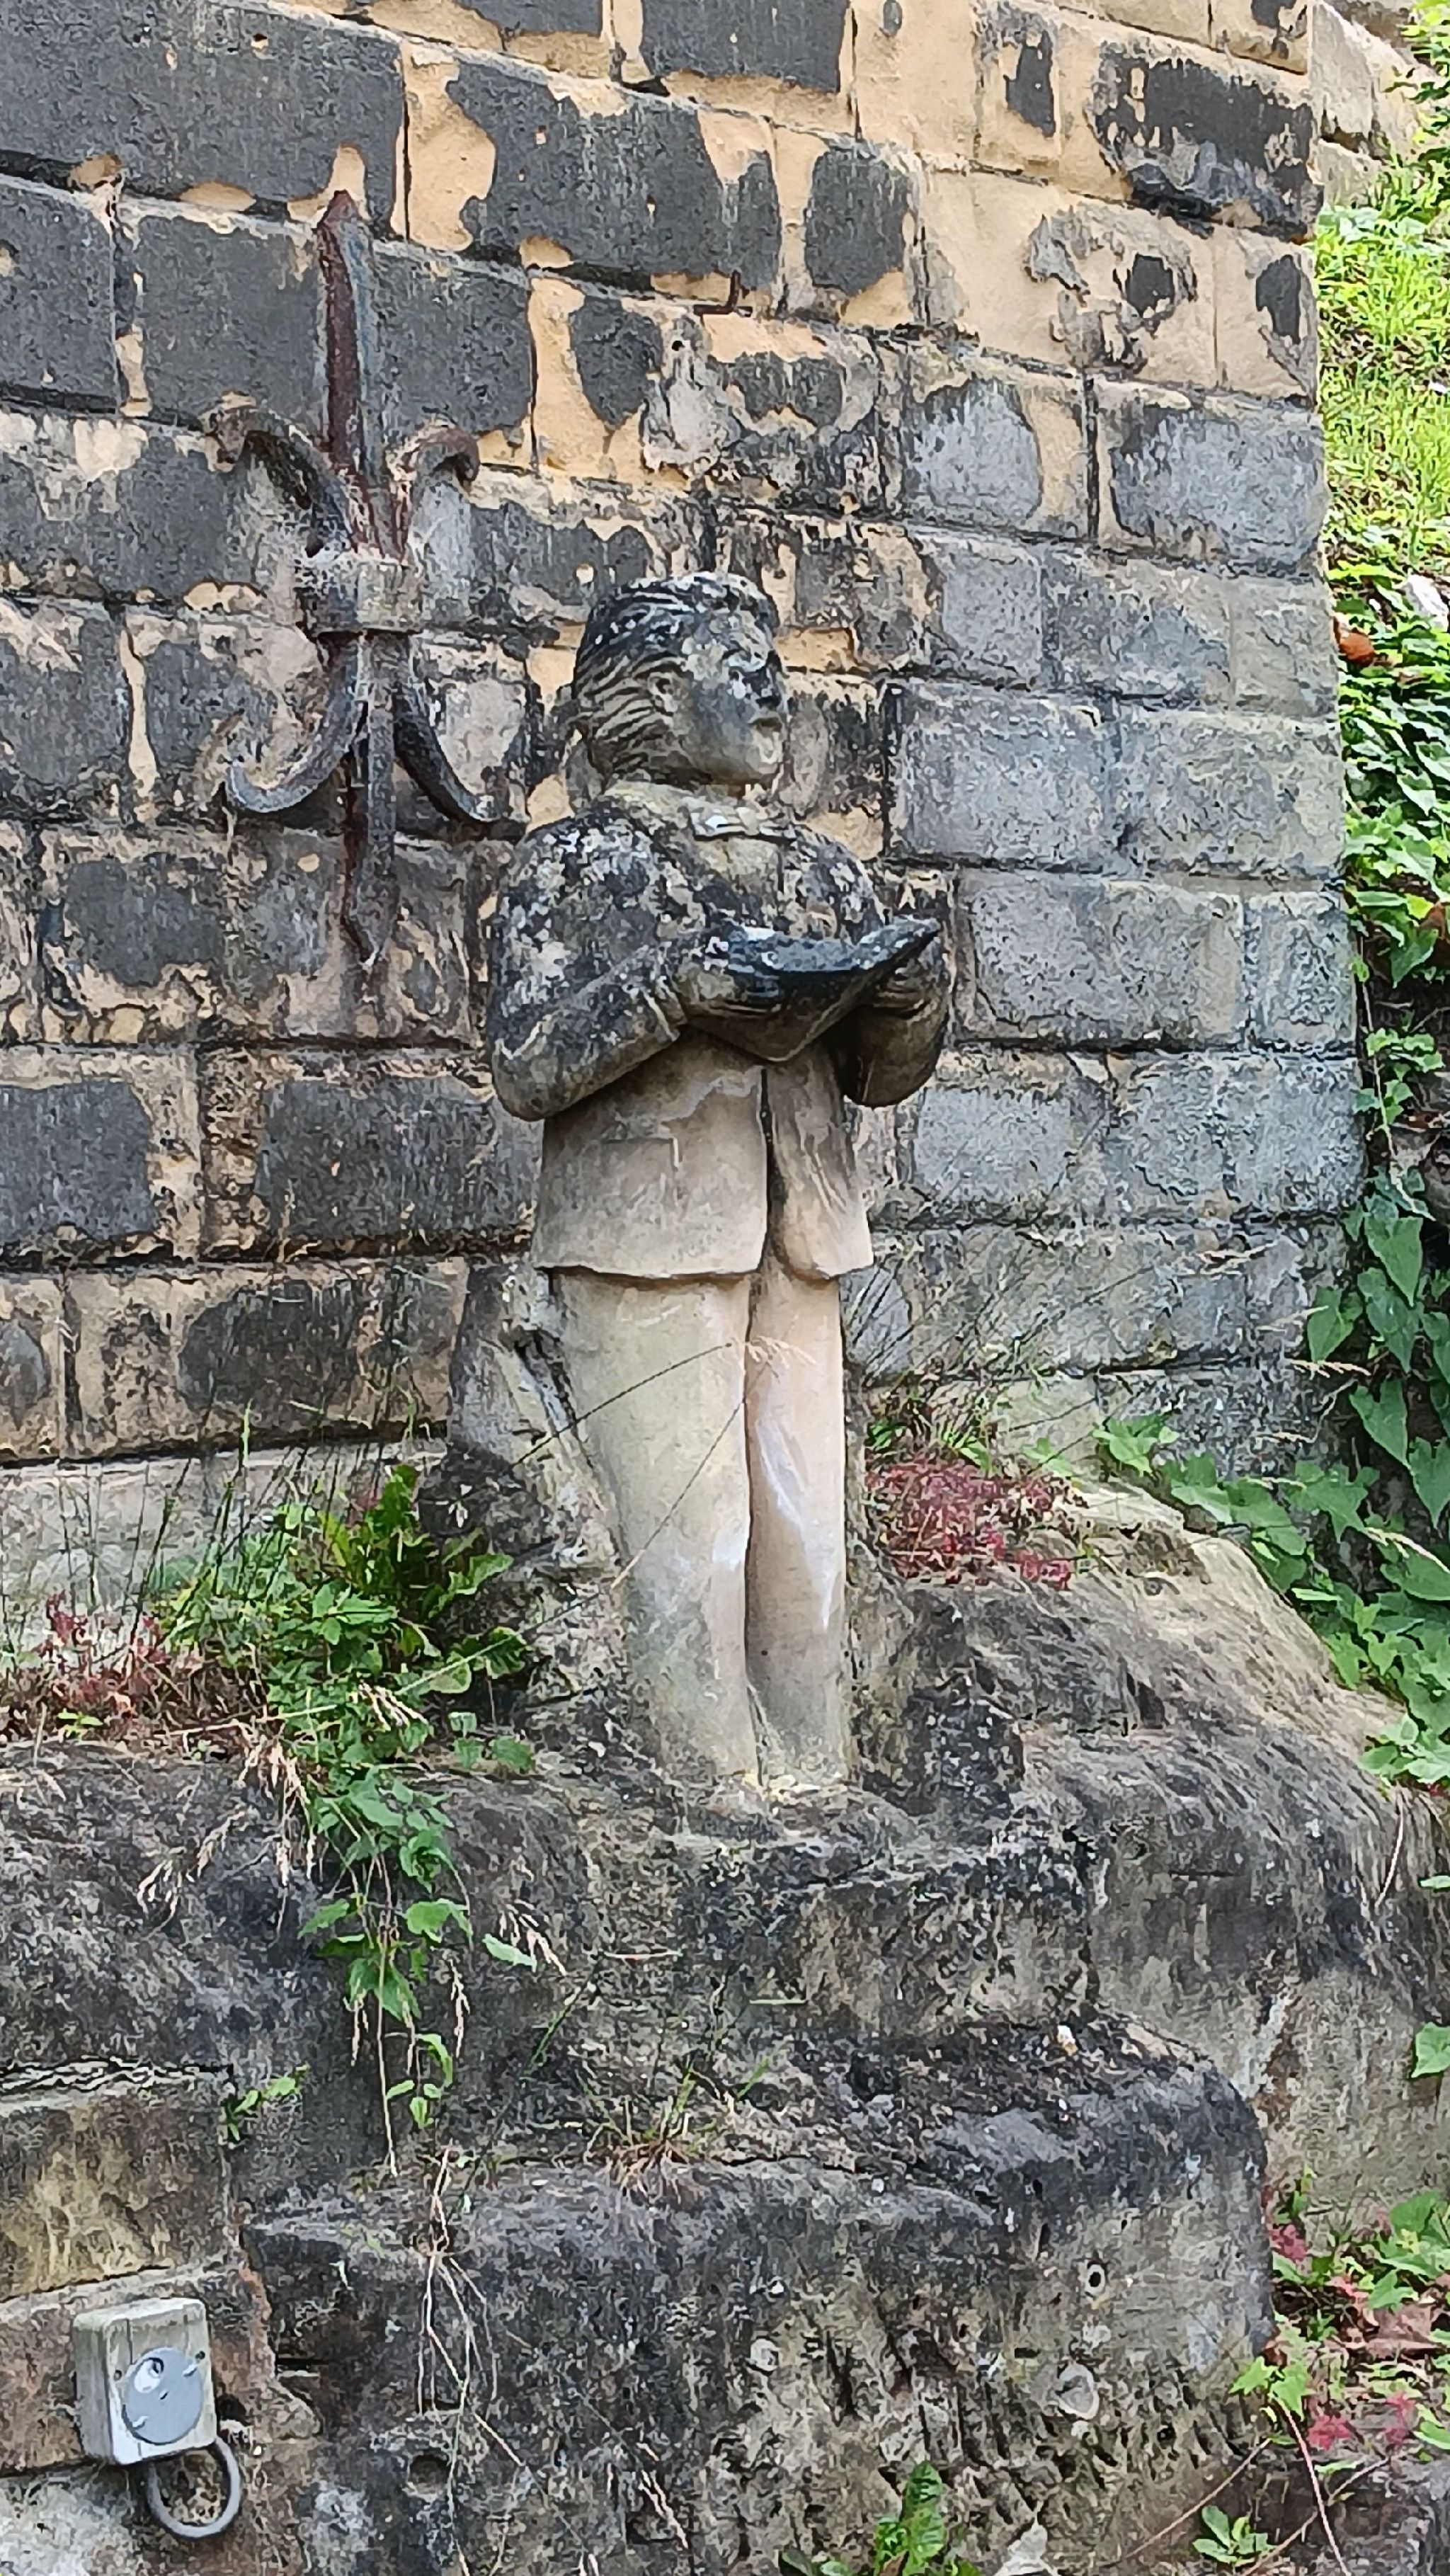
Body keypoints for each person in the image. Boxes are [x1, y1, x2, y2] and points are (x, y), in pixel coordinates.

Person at [486, 574, 947, 1799]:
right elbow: (525, 1064)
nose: (770, 690)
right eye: (737, 666)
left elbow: (879, 1076)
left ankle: (814, 1779)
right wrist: (671, 991)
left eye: (773, 666)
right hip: (651, 1237)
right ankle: (701, 1795)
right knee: (687, 1545)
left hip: (801, 1231)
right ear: (647, 695)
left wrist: (911, 1004)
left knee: (805, 1547)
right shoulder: (584, 863)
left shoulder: (820, 870)